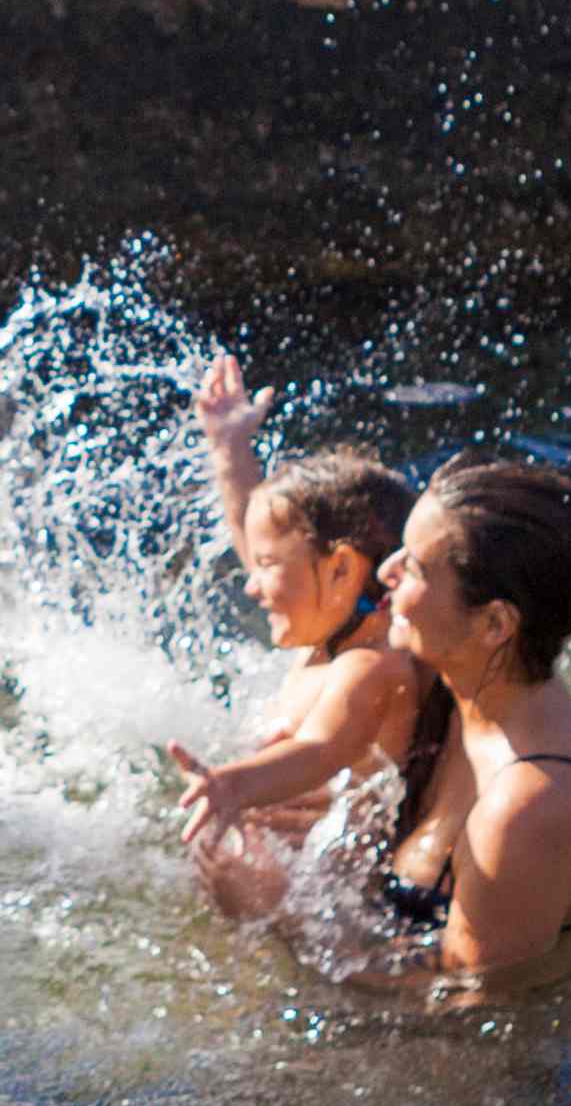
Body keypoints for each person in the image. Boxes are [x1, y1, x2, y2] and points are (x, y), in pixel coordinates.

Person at [161, 355, 427, 922]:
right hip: (295, 862)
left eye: (265, 567)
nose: (252, 587)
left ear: (341, 571)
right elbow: (253, 529)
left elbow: (320, 750)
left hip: (340, 903)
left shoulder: (369, 666)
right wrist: (229, 450)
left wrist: (232, 786)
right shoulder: (328, 629)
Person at [350, 458, 571, 982]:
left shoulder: (526, 809)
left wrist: (275, 927)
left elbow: (471, 1021)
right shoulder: (462, 673)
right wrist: (229, 454)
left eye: (417, 568)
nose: (386, 571)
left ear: (495, 623)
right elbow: (303, 582)